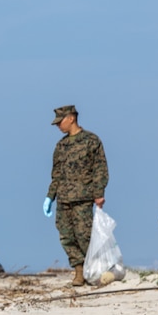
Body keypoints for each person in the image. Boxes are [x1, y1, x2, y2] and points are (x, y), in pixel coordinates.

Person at [43, 105, 109, 286]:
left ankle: (93, 270)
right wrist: (50, 197)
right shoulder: (61, 146)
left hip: (83, 197)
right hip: (63, 198)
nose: (58, 126)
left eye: (60, 122)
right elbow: (56, 174)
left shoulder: (91, 141)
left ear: (71, 118)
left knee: (84, 235)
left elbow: (100, 169)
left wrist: (99, 193)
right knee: (66, 236)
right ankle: (79, 271)